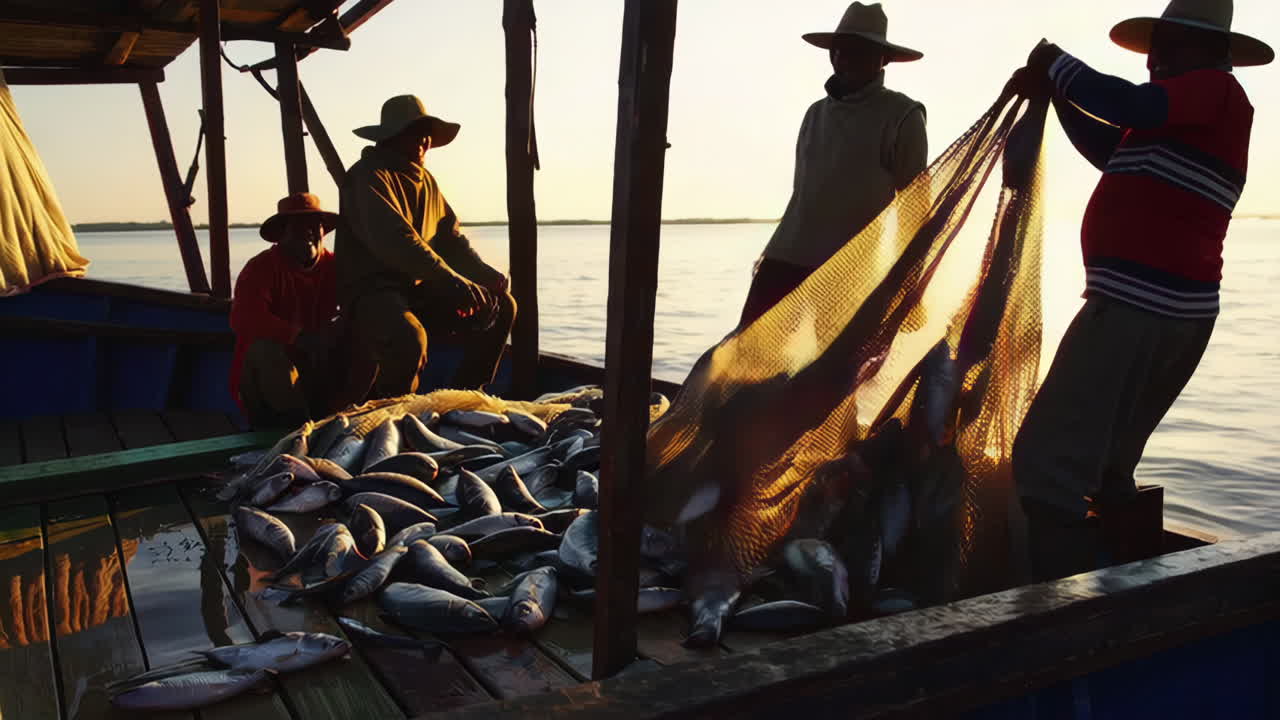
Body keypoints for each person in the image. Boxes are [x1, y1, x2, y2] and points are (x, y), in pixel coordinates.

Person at [1010, 0, 1272, 582]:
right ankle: (1124, 592)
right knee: (1107, 468)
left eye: (1169, 45)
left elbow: (1129, 104)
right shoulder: (1180, 121)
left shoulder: (1216, 92)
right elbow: (1110, 148)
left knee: (1046, 466)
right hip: (1169, 312)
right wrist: (1058, 98)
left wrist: (1056, 63)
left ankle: (1053, 624)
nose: (1155, 59)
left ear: (1214, 53)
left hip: (1139, 310)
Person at [739, 1, 928, 327]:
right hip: (784, 258)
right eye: (838, 49)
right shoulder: (815, 113)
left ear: (881, 58)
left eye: (856, 50)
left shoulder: (903, 114)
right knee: (745, 362)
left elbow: (915, 206)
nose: (842, 57)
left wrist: (910, 283)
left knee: (837, 374)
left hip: (848, 271)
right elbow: (803, 196)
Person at [336, 94, 515, 399]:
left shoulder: (427, 181)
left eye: (426, 134)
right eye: (414, 132)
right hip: (372, 293)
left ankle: (461, 399)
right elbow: (397, 241)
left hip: (421, 290)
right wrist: (451, 280)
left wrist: (484, 274)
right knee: (410, 337)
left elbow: (452, 240)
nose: (423, 141)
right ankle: (390, 417)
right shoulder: (368, 176)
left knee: (503, 306)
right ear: (392, 136)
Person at [230, 192, 343, 429]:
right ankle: (296, 430)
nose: (308, 232)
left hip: (320, 372)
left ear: (324, 231)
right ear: (282, 234)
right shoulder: (260, 268)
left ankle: (349, 416)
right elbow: (244, 319)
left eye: (314, 224)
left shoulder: (336, 267)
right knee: (265, 350)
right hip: (272, 383)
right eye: (298, 226)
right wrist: (300, 336)